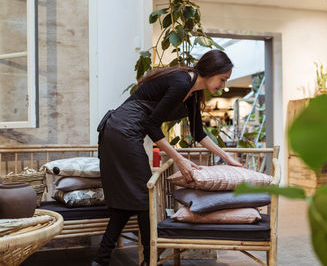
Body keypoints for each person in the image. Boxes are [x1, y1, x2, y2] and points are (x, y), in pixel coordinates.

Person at [92, 50, 242, 266]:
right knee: (146, 195)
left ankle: (102, 259)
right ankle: (150, 261)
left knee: (131, 199)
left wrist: (227, 157)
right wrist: (179, 159)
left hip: (125, 130)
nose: (223, 85)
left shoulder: (192, 91)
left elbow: (198, 134)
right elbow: (151, 125)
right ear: (211, 72)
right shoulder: (181, 82)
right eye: (223, 79)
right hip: (122, 130)